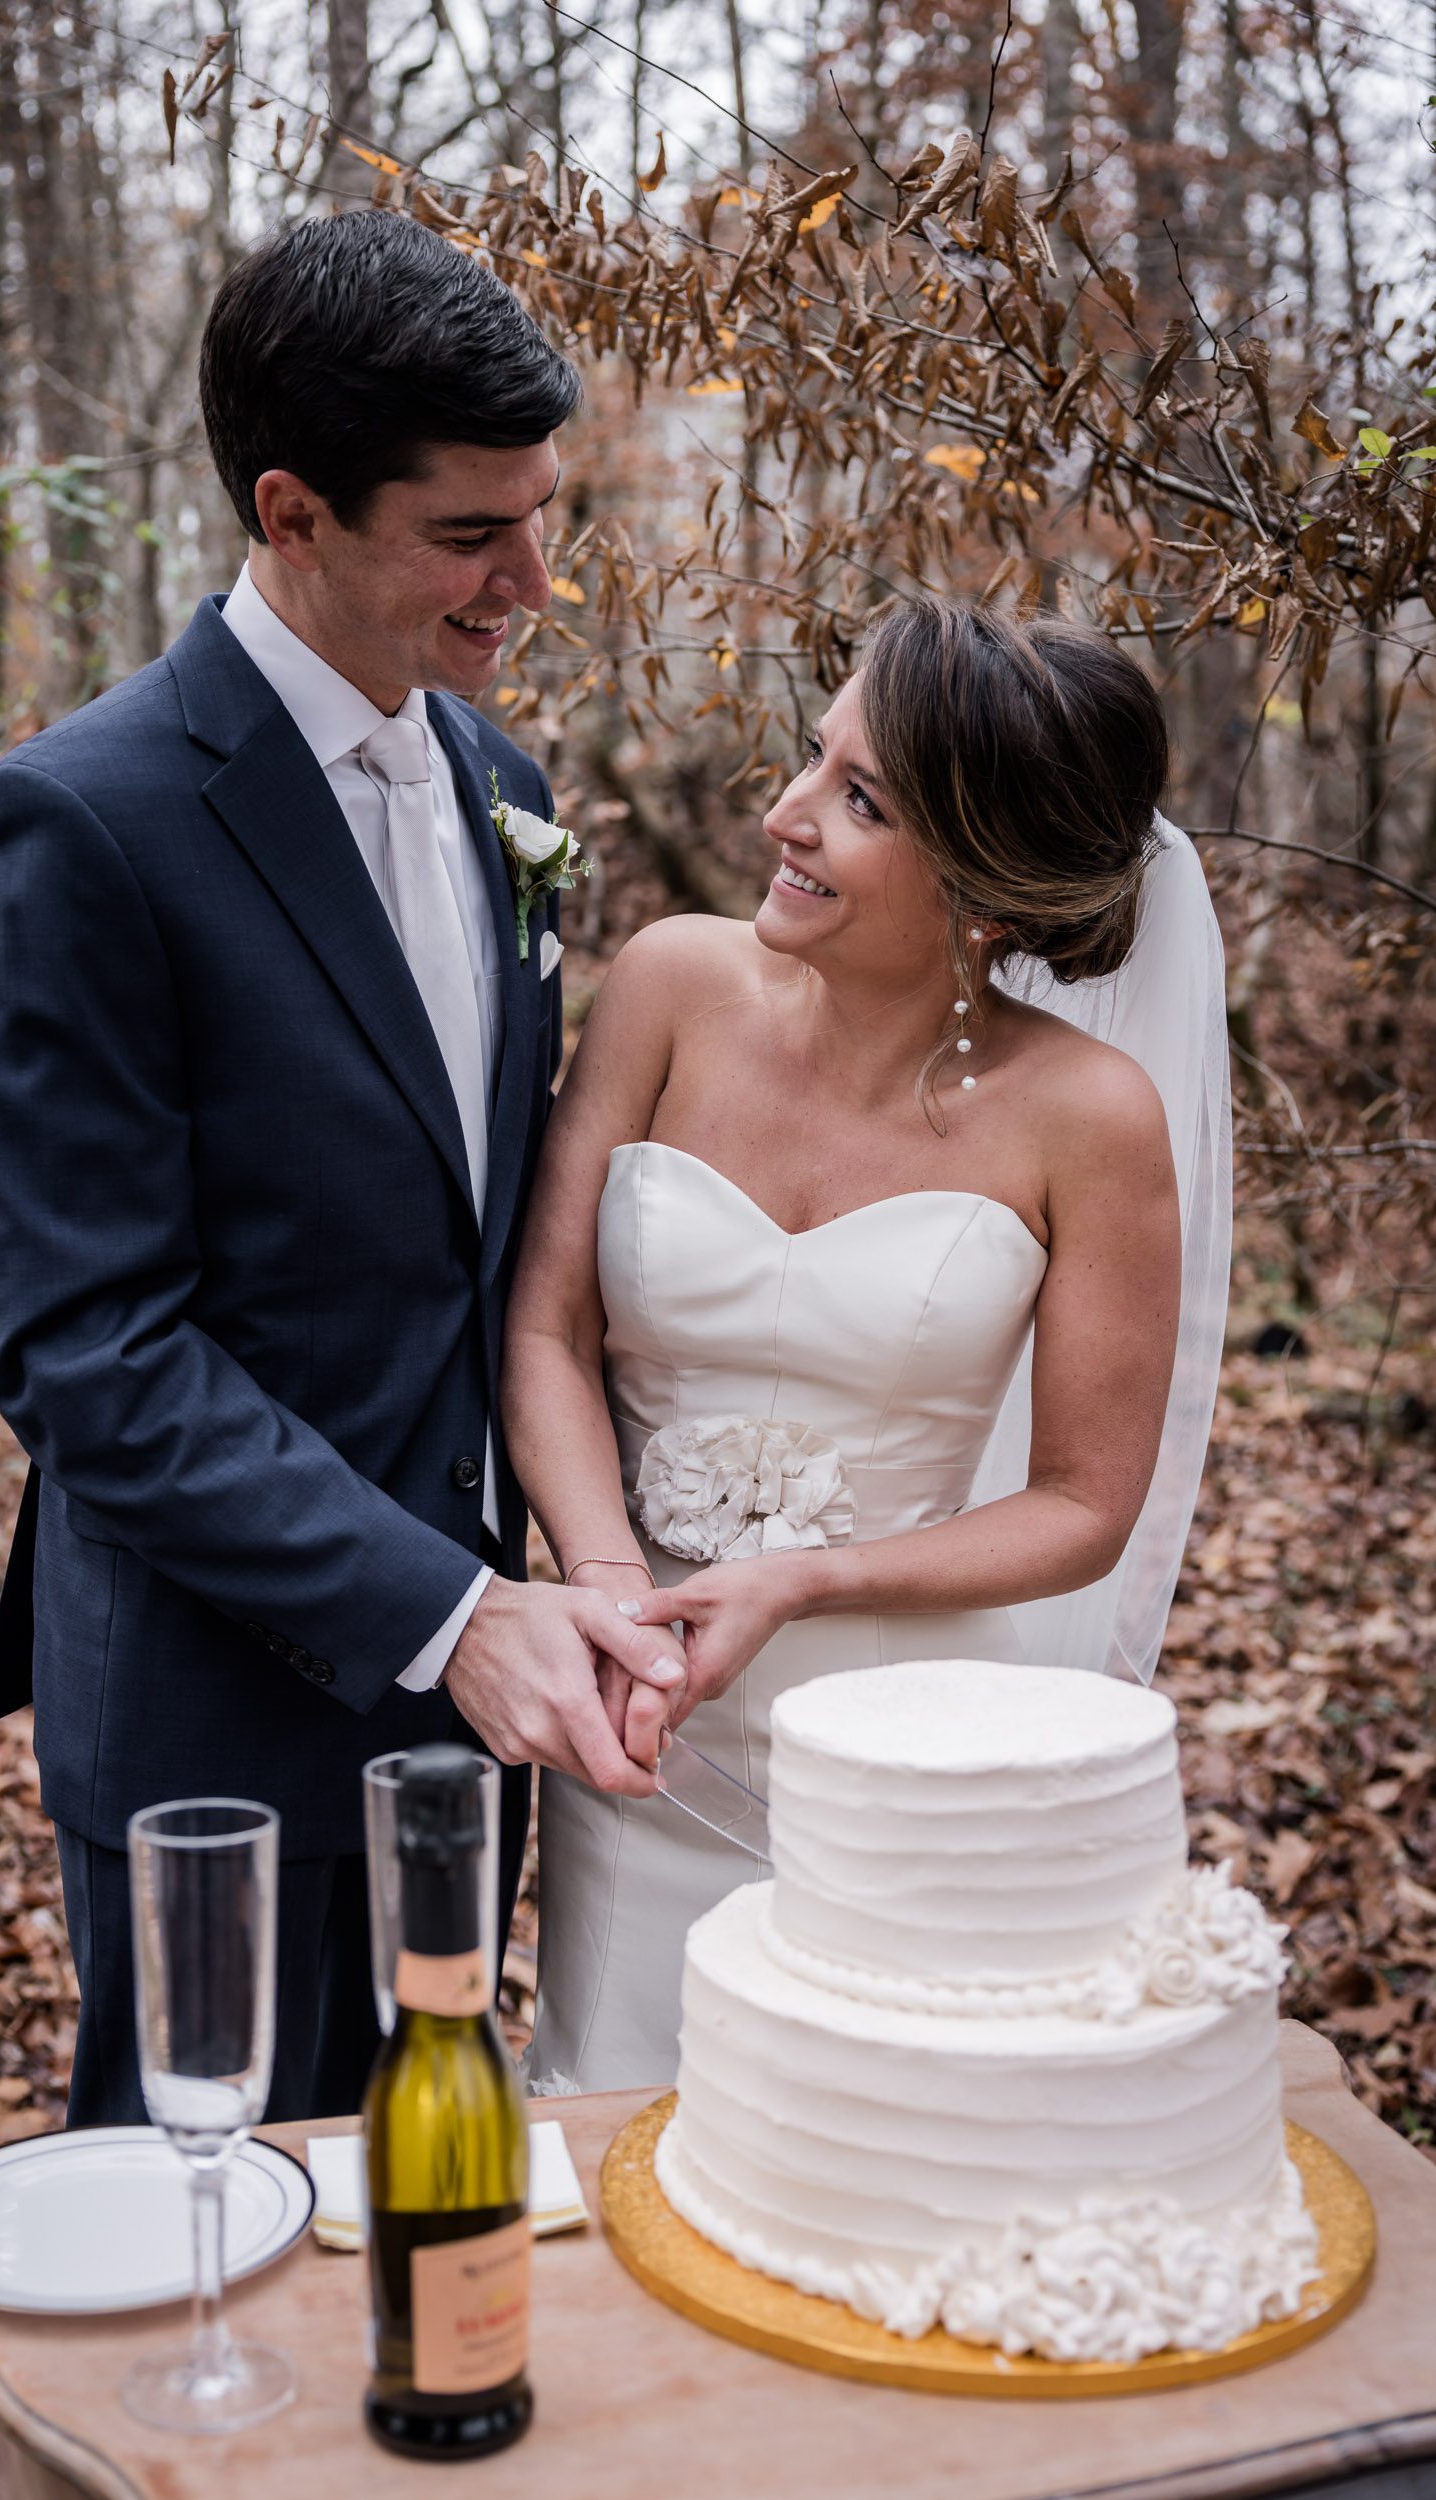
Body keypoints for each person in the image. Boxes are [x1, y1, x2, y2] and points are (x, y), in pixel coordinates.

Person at [0, 211, 677, 2128]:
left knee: (421, 2212)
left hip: (477, 1713)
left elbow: (482, 1243)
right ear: (291, 510)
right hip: (223, 1718)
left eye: (542, 514)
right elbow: (90, 1352)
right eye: (467, 533)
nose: (531, 577)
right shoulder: (78, 828)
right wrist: (445, 1609)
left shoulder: (505, 789)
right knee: (218, 2252)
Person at [507, 597, 1230, 2093]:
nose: (784, 817)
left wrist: (806, 1575)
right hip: (641, 1703)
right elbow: (544, 1327)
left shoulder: (1089, 1119)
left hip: (899, 1743)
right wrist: (610, 1586)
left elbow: (1088, 1505)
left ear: (991, 880)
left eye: (860, 800)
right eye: (810, 761)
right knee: (617, 2115)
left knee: (859, 2156)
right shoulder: (669, 986)